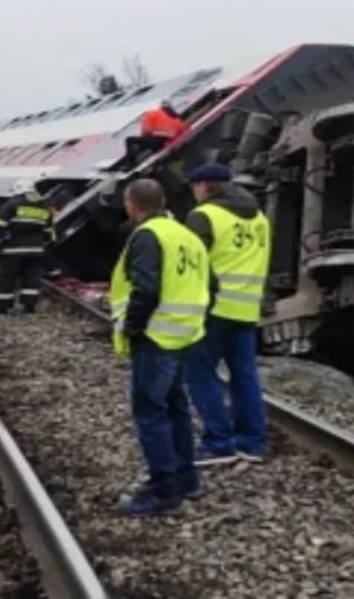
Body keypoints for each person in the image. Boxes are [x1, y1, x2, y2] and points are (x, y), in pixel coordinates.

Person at [109, 178, 209, 516]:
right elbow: (213, 284)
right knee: (176, 407)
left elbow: (145, 289)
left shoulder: (148, 235)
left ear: (131, 203)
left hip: (155, 337)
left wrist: (134, 329)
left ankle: (164, 492)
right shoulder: (187, 235)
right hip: (183, 335)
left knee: (150, 413)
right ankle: (187, 479)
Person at [183, 163, 272, 464]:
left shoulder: (204, 216)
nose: (193, 193)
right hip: (246, 309)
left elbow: (192, 264)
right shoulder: (260, 218)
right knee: (244, 376)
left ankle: (218, 443)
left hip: (212, 309)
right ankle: (252, 443)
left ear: (203, 186)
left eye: (194, 186)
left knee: (199, 372)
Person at [0, 180, 54, 314]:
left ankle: (3, 306)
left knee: (7, 278)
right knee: (31, 278)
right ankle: (29, 306)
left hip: (12, 250)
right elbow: (49, 232)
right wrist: (43, 245)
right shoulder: (43, 207)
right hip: (35, 251)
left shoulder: (11, 205)